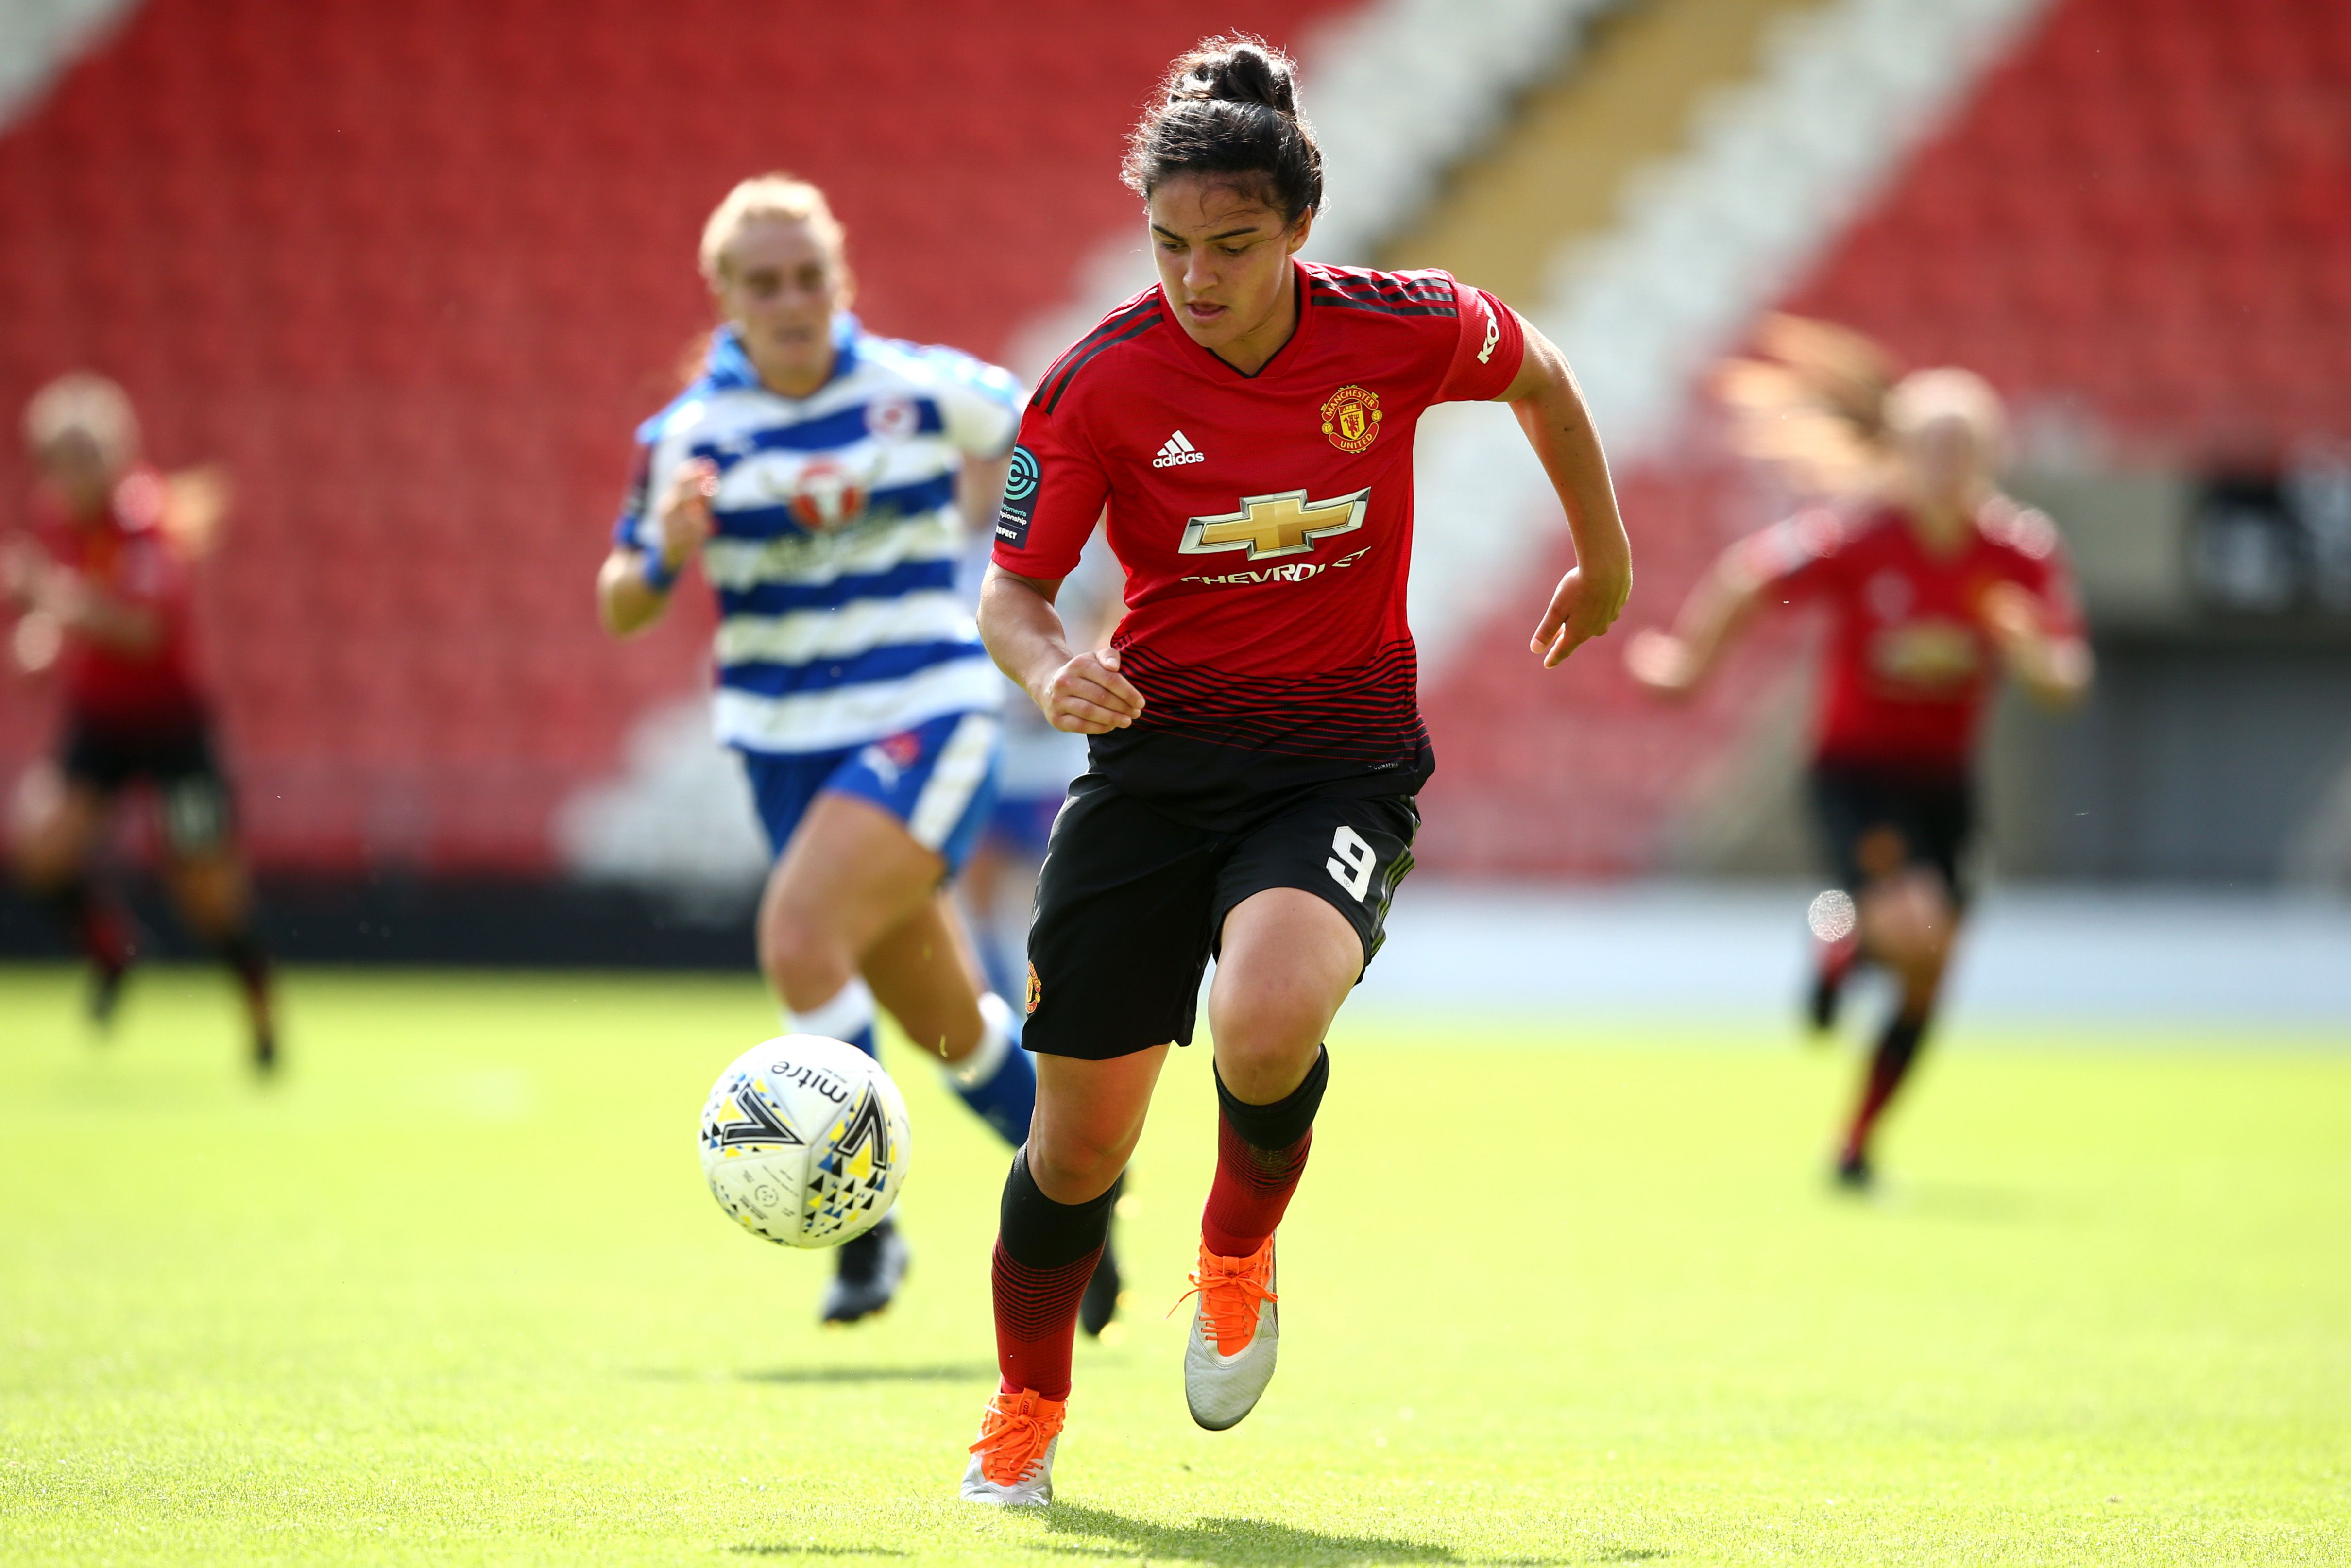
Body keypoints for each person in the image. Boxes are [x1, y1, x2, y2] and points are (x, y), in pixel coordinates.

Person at [959, 37, 1632, 1504]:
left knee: (1267, 1023)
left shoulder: (1400, 327)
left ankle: (1236, 1251)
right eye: (1172, 244)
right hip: (1150, 766)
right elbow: (1012, 592)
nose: (1198, 274)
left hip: (1335, 759)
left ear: (1301, 231)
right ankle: (1024, 1413)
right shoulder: (1096, 387)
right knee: (1076, 1148)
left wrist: (1607, 556)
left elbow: (1548, 379)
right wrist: (1048, 664)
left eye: (1235, 244)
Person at [596, 174, 1119, 1329]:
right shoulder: (687, 438)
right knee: (949, 1029)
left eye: (808, 277)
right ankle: (1090, 1199)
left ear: (840, 281)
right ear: (724, 296)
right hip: (784, 750)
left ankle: (861, 1235)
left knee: (796, 933)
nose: (791, 301)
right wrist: (665, 553)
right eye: (763, 283)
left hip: (922, 715)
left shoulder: (916, 390)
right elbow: (621, 599)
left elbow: (1058, 427)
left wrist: (1060, 576)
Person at [1627, 346, 2092, 1189]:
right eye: (1931, 449)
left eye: (1963, 451)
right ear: (1903, 455)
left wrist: (2034, 659)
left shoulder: (2018, 553)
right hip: (1856, 774)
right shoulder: (1860, 540)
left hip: (1946, 784)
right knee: (1915, 927)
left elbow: (2068, 678)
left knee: (1932, 969)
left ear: (1988, 459)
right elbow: (1747, 577)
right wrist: (1686, 667)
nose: (1946, 469)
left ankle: (1856, 1141)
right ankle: (1848, 940)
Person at [4, 373, 275, 1070]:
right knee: (41, 847)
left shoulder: (144, 521)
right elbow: (82, 608)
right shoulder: (60, 519)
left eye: (83, 456)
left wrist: (56, 604)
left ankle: (261, 1011)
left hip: (172, 729)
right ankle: (112, 952)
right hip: (100, 721)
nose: (71, 474)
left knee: (204, 887)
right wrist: (46, 628)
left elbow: (144, 631)